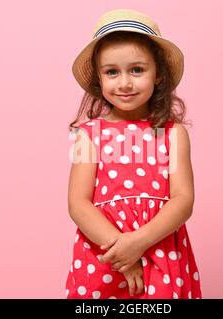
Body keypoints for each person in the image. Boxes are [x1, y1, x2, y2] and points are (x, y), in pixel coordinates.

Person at [65, 8, 202, 299]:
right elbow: (78, 203)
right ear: (99, 79)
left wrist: (138, 243)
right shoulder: (89, 135)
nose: (125, 82)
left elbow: (183, 199)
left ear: (159, 75)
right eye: (112, 72)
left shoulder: (171, 133)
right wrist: (123, 255)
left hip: (159, 250)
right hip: (104, 253)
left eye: (137, 70)